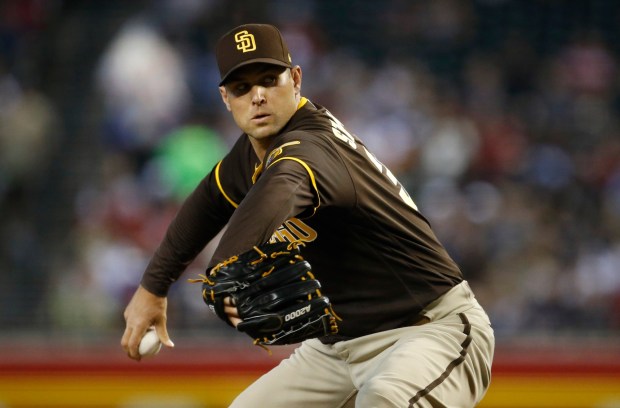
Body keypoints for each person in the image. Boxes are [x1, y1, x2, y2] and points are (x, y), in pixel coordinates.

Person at [121, 23, 494, 407]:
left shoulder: (313, 146)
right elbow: (209, 202)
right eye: (242, 88)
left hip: (429, 331)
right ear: (224, 98)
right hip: (334, 351)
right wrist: (153, 288)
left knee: (385, 399)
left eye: (269, 79)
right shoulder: (254, 149)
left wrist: (226, 263)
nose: (258, 96)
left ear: (295, 79)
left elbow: (283, 185)